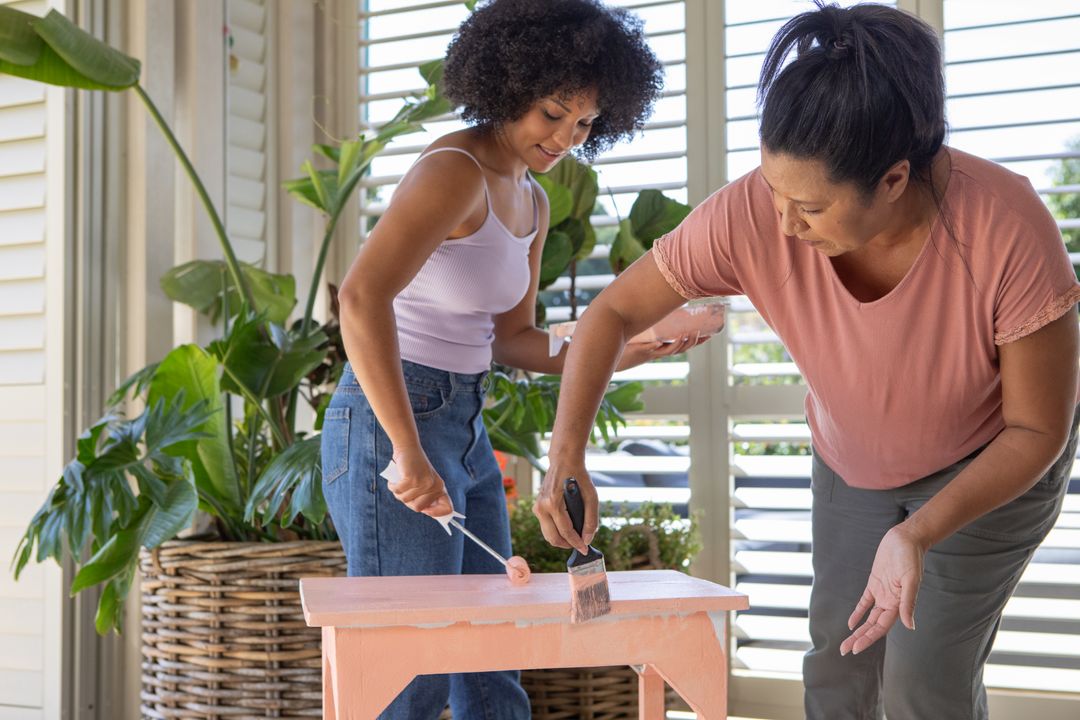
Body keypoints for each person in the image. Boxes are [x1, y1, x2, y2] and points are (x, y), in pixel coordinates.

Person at [534, 3, 1080, 719]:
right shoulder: (755, 214)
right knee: (838, 662)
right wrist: (566, 451)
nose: (784, 225)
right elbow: (612, 313)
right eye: (773, 192)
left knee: (924, 682)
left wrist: (915, 532)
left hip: (990, 460)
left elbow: (1037, 430)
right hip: (855, 462)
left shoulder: (1005, 227)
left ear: (892, 179)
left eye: (812, 209)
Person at [320, 1, 700, 718]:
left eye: (584, 123)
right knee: (413, 671)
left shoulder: (532, 199)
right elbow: (362, 300)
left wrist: (620, 348)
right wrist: (405, 451)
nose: (564, 138)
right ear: (507, 84)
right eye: (552, 113)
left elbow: (512, 338)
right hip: (390, 420)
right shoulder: (452, 172)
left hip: (463, 423)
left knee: (494, 654)